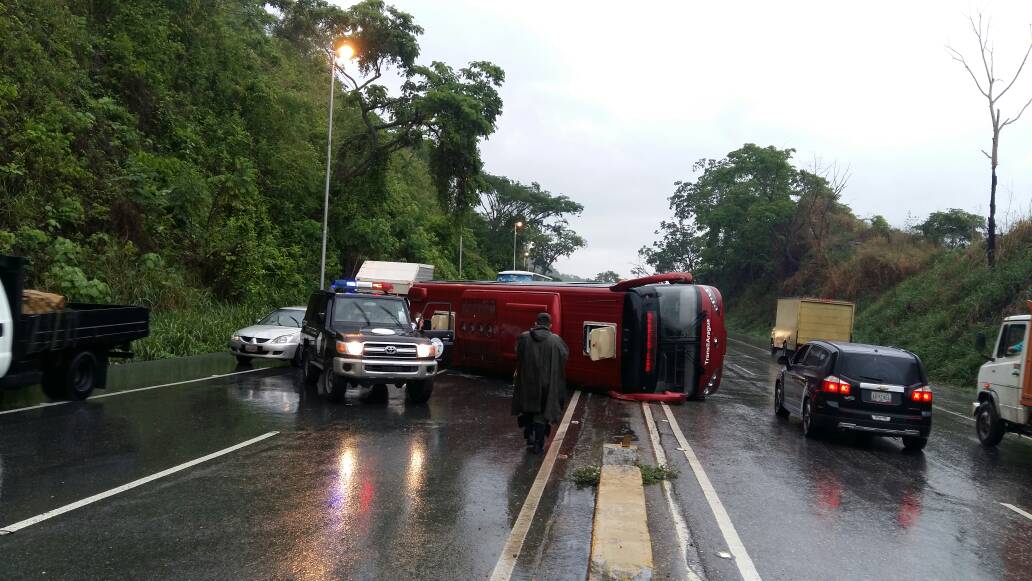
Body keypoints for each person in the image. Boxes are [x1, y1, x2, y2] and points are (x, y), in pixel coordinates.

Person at [512, 312, 569, 454]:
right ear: (550, 325)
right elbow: (564, 356)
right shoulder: (556, 340)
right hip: (547, 385)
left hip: (527, 382)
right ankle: (538, 445)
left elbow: (517, 354)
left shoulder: (524, 338)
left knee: (528, 410)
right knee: (542, 415)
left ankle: (529, 439)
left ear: (536, 323)